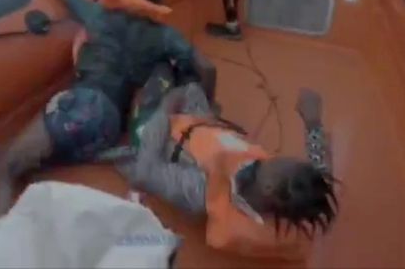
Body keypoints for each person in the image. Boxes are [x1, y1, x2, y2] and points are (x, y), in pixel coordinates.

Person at [0, 0, 213, 218]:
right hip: (110, 130)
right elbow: (206, 67)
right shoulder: (164, 36)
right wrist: (205, 109)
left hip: (87, 105)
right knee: (24, 159)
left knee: (4, 164)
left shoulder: (99, 16)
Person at [117, 82, 337, 257]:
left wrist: (164, 111)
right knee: (192, 88)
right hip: (205, 130)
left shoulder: (201, 191)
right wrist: (312, 122)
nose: (277, 158)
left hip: (160, 141)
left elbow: (143, 173)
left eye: (281, 162)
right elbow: (321, 172)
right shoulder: (299, 204)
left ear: (269, 186)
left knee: (162, 81)